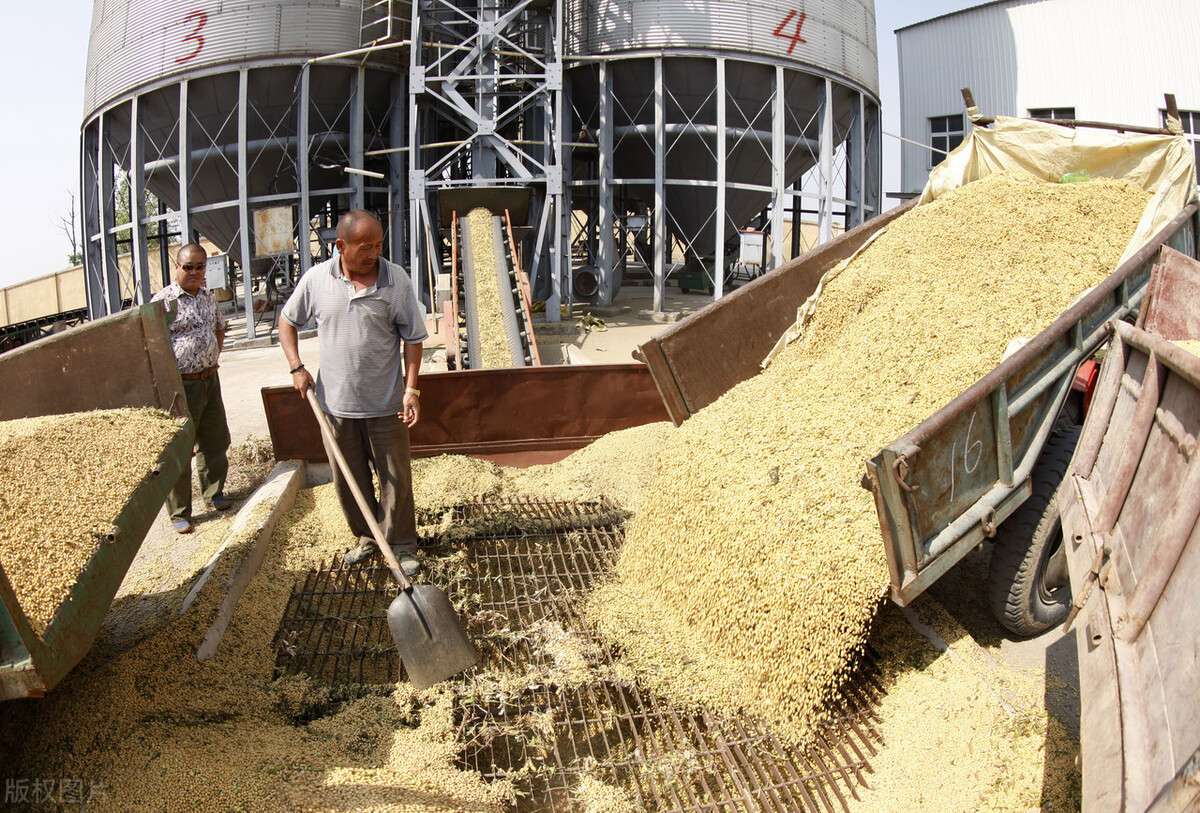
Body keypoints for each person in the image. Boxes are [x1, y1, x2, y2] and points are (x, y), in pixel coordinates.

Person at [278, 210, 427, 576]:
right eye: (365, 247)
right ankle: (367, 538)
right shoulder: (317, 280)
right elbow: (287, 321)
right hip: (335, 406)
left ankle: (401, 545)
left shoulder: (396, 280)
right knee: (349, 481)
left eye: (378, 245)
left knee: (395, 480)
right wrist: (296, 366)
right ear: (341, 245)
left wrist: (411, 389)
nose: (374, 253)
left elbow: (413, 338)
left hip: (386, 405)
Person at [152, 243, 233, 534]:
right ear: (177, 267)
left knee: (215, 439)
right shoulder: (163, 302)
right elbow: (152, 345)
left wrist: (213, 355)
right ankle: (180, 512)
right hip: (180, 386)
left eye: (200, 267)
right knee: (180, 448)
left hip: (209, 379)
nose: (194, 272)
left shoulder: (208, 297)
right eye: (188, 267)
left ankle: (213, 493)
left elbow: (219, 327)